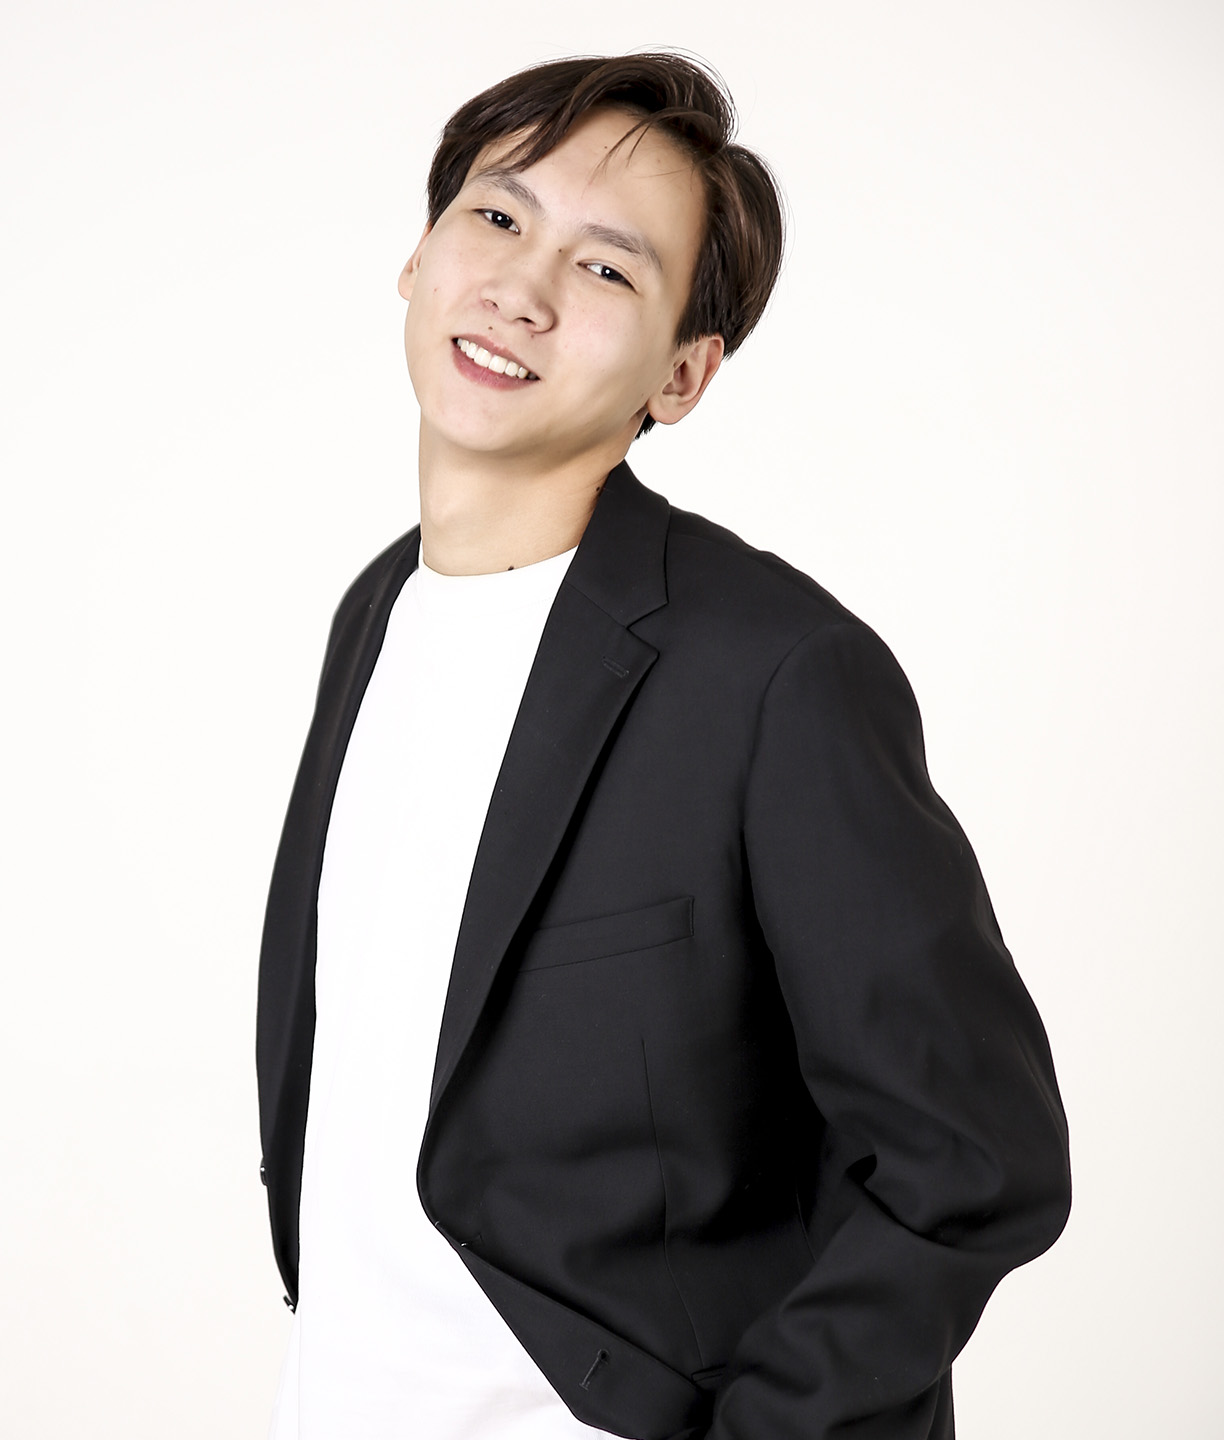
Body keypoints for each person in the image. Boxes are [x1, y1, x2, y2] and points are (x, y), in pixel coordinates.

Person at [254, 52, 1070, 1440]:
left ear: (683, 374)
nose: (522, 291)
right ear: (418, 257)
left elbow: (973, 1157)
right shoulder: (376, 613)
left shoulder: (776, 675)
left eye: (606, 270)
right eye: (496, 218)